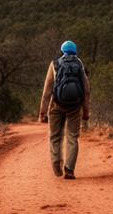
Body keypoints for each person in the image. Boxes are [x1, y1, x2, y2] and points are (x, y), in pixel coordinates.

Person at [39, 40, 90, 179]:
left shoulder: (54, 64)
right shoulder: (79, 64)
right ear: (75, 51)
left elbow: (47, 91)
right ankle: (69, 170)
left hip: (56, 105)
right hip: (75, 106)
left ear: (62, 51)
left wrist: (42, 112)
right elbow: (86, 90)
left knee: (55, 136)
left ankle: (56, 164)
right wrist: (86, 111)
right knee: (72, 137)